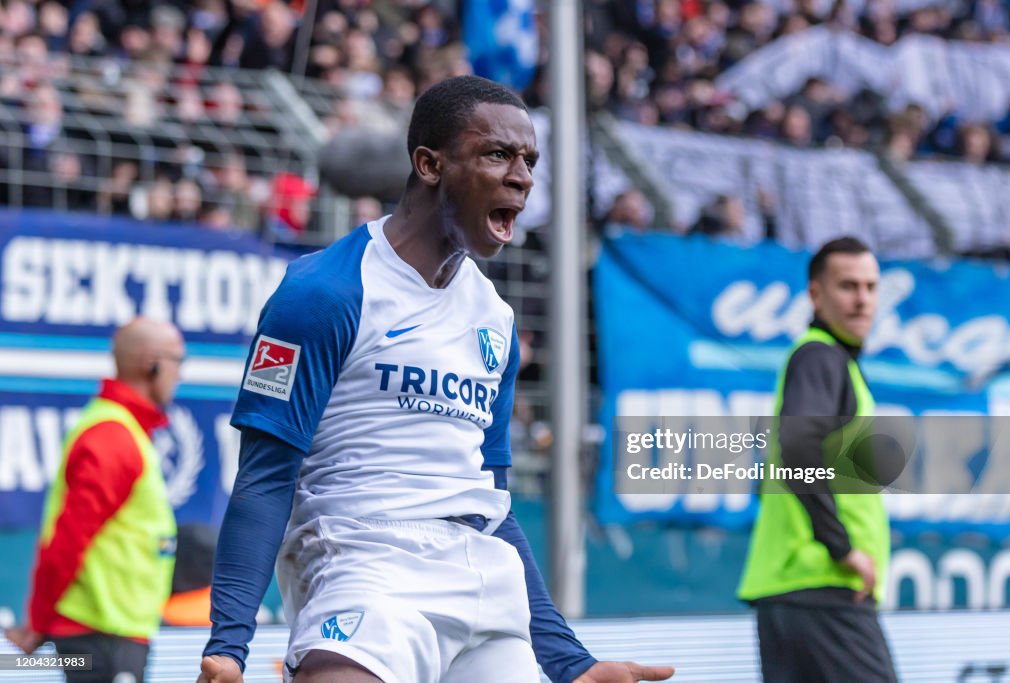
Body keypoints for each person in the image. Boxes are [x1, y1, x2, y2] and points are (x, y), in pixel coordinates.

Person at [197, 76, 675, 683]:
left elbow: (493, 502)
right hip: (364, 568)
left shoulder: (495, 319)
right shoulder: (323, 292)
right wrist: (228, 644)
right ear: (429, 163)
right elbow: (265, 477)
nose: (523, 177)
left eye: (529, 160)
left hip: (484, 586)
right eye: (498, 154)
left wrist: (569, 662)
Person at [736, 237, 897, 682]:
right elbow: (799, 447)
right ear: (815, 294)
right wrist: (842, 548)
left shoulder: (824, 361)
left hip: (796, 590)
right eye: (848, 286)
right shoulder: (820, 356)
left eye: (870, 286)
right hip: (823, 587)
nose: (862, 300)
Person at [4, 317, 185, 682]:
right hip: (100, 636)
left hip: (106, 633)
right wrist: (38, 623)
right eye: (178, 361)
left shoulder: (118, 428)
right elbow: (69, 539)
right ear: (152, 362)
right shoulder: (114, 436)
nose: (180, 374)